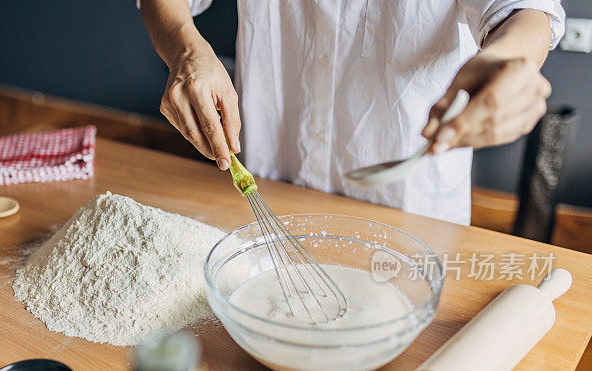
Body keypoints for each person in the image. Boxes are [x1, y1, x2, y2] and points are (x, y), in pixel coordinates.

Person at [138, 1, 565, 224]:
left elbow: (524, 12)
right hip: (274, 176)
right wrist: (186, 51)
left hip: (408, 201)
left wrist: (512, 59)